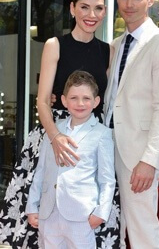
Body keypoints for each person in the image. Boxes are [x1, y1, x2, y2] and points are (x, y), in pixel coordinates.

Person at [0, 0, 120, 248]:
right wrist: (55, 138)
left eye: (99, 9)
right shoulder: (55, 44)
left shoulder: (108, 51)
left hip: (90, 139)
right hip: (52, 134)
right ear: (72, 8)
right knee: (40, 213)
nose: (92, 15)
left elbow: (104, 102)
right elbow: (43, 101)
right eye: (85, 7)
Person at [104, 0, 159, 249]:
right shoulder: (115, 45)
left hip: (139, 155)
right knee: (113, 225)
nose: (129, 4)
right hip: (107, 147)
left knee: (142, 231)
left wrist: (150, 160)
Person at [25, 70, 116, 249]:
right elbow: (41, 171)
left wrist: (101, 212)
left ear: (96, 101)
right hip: (48, 214)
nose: (80, 103)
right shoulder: (52, 131)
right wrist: (32, 207)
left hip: (82, 217)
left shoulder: (102, 134)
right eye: (73, 98)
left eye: (86, 98)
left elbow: (107, 179)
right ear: (64, 101)